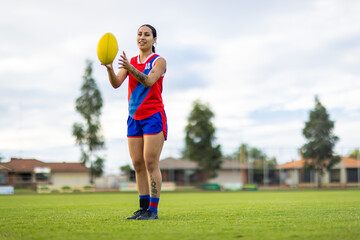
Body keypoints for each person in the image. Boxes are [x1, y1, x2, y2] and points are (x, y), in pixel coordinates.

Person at [104, 24, 167, 220]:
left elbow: (149, 81)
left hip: (153, 116)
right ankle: (142, 208)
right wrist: (110, 67)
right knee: (138, 164)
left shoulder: (159, 61)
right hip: (133, 118)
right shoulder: (130, 61)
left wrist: (130, 68)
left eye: (147, 34)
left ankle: (153, 210)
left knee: (150, 162)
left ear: (154, 40)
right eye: (139, 34)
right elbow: (116, 84)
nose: (142, 37)